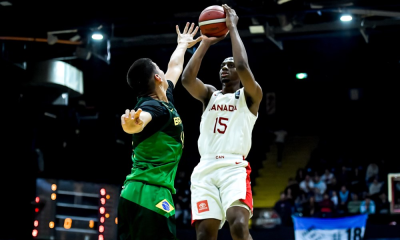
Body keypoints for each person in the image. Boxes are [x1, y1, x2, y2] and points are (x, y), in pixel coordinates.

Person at [181, 4, 263, 240]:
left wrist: (233, 28)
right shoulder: (209, 94)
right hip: (205, 168)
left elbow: (242, 65)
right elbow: (187, 79)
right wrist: (204, 43)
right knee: (205, 234)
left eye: (229, 65)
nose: (225, 68)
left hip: (233, 168)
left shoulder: (250, 96)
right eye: (221, 66)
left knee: (238, 226)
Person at [117, 22, 201, 240]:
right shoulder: (152, 107)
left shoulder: (165, 100)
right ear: (157, 78)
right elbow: (140, 120)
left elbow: (174, 67)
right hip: (151, 193)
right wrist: (131, 125)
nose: (164, 71)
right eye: (158, 68)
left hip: (134, 192)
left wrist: (182, 44)